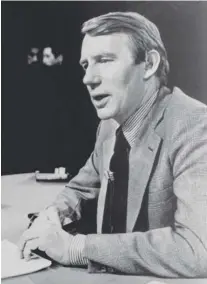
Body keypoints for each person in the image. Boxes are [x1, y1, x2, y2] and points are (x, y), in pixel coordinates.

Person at [19, 12, 207, 277]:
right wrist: (53, 217)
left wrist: (77, 247)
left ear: (149, 64)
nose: (88, 79)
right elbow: (82, 188)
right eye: (86, 65)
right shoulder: (110, 126)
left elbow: (197, 249)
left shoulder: (196, 126)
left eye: (104, 61)